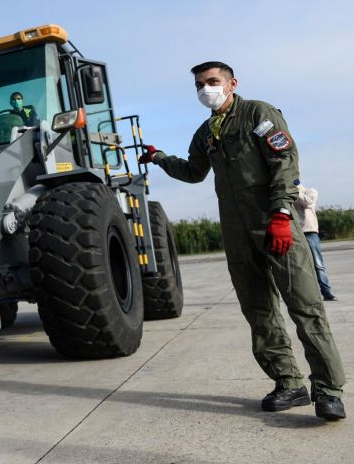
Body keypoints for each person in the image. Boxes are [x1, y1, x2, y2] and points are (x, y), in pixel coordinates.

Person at [139, 61, 346, 421]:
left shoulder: (257, 114)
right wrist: (159, 158)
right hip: (237, 233)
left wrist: (282, 213)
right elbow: (193, 171)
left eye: (212, 81)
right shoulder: (206, 132)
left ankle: (328, 390)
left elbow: (284, 160)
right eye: (199, 85)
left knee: (305, 307)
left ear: (231, 83)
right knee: (259, 313)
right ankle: (288, 383)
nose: (206, 89)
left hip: (274, 225)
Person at [295, 182, 336, 301]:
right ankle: (305, 295)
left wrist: (294, 189)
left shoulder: (310, 191)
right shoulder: (288, 193)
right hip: (295, 232)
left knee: (318, 264)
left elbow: (307, 202)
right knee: (299, 265)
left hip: (309, 232)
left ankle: (327, 293)